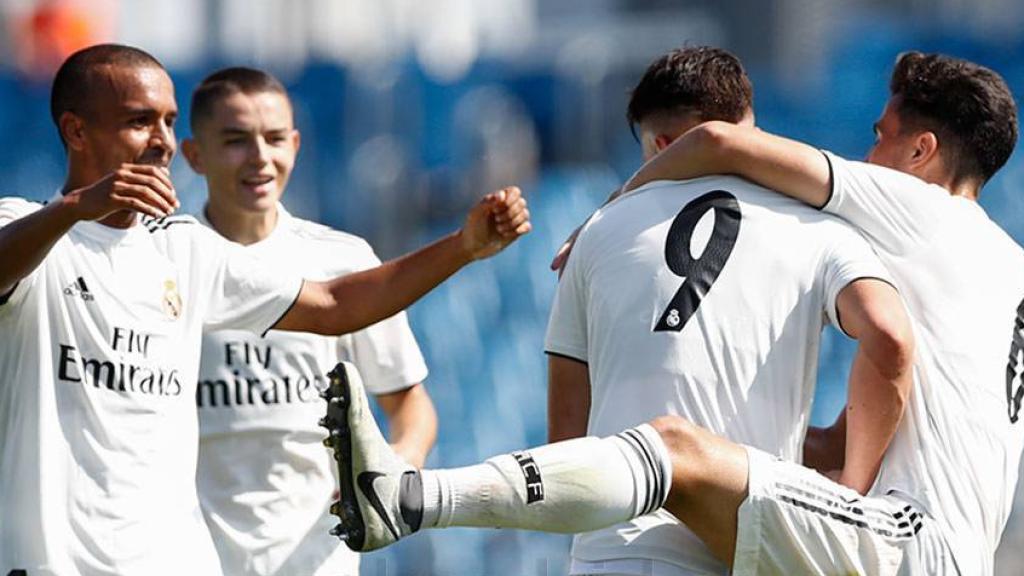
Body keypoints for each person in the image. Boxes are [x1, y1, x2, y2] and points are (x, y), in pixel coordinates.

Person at [328, 50, 1020, 576]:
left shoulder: (923, 210)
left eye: (880, 134)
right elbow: (870, 406)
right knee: (689, 451)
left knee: (673, 444)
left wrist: (609, 208)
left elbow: (721, 144)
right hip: (953, 551)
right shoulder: (1006, 266)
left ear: (922, 151)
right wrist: (817, 465)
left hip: (902, 538)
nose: (869, 153)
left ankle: (414, 500)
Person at [0, 44, 528, 576]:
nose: (158, 141)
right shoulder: (26, 228)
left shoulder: (184, 249)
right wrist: (76, 209)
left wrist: (462, 247)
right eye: (139, 122)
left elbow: (334, 304)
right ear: (76, 131)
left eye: (167, 122)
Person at [541, 46, 913, 576]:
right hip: (746, 543)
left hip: (612, 550)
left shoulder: (595, 233)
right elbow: (888, 336)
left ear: (664, 145)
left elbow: (566, 455)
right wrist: (851, 492)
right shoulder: (822, 231)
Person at [179, 67, 437, 576]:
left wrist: (392, 468)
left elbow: (412, 407)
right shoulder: (165, 260)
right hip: (187, 555)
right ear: (193, 154)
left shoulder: (343, 260)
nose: (259, 157)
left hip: (316, 559)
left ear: (294, 144)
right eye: (235, 140)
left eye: (274, 138)